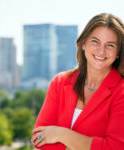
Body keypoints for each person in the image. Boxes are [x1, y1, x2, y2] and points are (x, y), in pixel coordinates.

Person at [31, 13, 124, 150]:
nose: (101, 50)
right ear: (83, 43)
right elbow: (38, 139)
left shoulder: (121, 91)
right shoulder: (60, 82)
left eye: (110, 45)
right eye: (95, 41)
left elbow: (114, 147)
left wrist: (60, 134)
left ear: (118, 53)